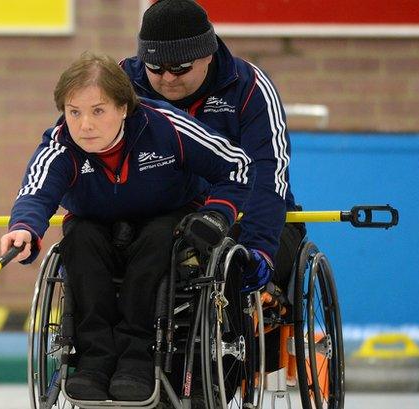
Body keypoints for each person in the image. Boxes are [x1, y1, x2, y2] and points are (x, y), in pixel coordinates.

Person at [0, 52, 253, 401]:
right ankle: (94, 363)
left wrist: (218, 214)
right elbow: (36, 191)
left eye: (98, 111)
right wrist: (25, 227)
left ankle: (136, 360)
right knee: (79, 239)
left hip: (166, 217)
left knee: (159, 238)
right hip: (97, 224)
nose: (84, 125)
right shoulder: (60, 145)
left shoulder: (166, 126)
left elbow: (237, 166)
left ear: (123, 108)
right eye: (74, 112)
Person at [121, 0, 306, 297]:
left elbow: (268, 176)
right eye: (154, 67)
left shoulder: (251, 88)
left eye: (180, 68)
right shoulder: (122, 85)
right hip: (161, 218)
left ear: (207, 55)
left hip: (245, 216)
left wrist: (259, 249)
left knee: (236, 266)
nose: (167, 78)